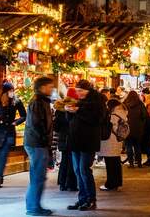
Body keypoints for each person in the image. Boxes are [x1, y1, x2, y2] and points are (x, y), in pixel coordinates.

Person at [66, 79, 106, 211]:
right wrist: (68, 111)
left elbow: (96, 119)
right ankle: (82, 199)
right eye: (77, 91)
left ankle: (90, 200)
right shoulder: (79, 102)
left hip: (88, 141)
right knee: (77, 171)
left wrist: (77, 111)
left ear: (88, 91)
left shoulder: (97, 101)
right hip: (75, 141)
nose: (79, 93)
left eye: (81, 91)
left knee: (84, 170)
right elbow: (71, 120)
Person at [24, 76, 57, 216]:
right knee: (38, 176)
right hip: (37, 144)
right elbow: (37, 124)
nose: (52, 89)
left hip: (37, 143)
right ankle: (33, 207)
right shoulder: (38, 102)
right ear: (42, 87)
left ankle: (33, 205)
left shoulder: (41, 101)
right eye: (50, 87)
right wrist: (45, 140)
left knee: (37, 176)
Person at [0, 81, 26, 189]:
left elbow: (24, 115)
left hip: (9, 130)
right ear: (5, 91)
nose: (12, 92)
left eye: (13, 90)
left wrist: (16, 122)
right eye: (10, 90)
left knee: (3, 154)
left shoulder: (16, 101)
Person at [98, 97, 128, 193]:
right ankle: (117, 182)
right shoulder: (122, 113)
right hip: (117, 141)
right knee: (116, 163)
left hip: (110, 141)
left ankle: (110, 184)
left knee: (110, 164)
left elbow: (110, 127)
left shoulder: (113, 116)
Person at [53, 97, 77, 193]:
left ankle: (62, 183)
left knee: (64, 162)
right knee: (71, 162)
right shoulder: (71, 112)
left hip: (63, 140)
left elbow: (56, 128)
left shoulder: (59, 113)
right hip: (71, 139)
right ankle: (71, 184)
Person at [122, 91, 146, 168]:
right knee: (137, 146)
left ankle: (131, 163)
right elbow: (144, 116)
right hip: (138, 128)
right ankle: (139, 163)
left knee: (128, 146)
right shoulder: (140, 104)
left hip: (127, 128)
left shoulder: (125, 104)